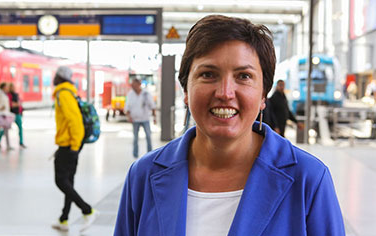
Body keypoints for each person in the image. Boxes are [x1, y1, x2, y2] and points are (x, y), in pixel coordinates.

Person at [114, 15, 344, 235]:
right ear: (185, 90)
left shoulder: (308, 180)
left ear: (264, 94)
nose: (225, 93)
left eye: (243, 76)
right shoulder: (143, 176)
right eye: (208, 74)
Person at [51, 66, 97, 232]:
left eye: (56, 75)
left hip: (69, 146)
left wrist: (74, 147)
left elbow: (75, 121)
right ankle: (64, 219)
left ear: (60, 77)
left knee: (60, 181)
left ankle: (87, 210)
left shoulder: (63, 93)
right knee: (68, 182)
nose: (54, 78)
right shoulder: (68, 92)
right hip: (70, 145)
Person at [124, 78, 157, 158]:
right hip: (135, 119)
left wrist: (154, 117)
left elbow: (152, 106)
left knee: (148, 136)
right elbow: (127, 107)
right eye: (132, 85)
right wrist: (129, 117)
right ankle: (135, 154)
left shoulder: (146, 94)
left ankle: (150, 154)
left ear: (139, 85)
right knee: (135, 138)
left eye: (134, 85)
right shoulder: (130, 94)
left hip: (145, 119)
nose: (133, 86)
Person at [0, 83, 26, 148]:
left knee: (20, 128)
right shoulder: (8, 95)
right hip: (10, 114)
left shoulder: (16, 95)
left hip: (17, 114)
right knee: (5, 128)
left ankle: (21, 142)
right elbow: (11, 104)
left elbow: (18, 104)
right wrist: (16, 104)